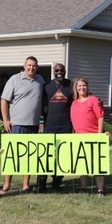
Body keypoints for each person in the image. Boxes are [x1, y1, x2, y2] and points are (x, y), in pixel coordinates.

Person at [0, 56, 44, 195]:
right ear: (24, 66)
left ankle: (26, 184)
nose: (31, 68)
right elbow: (4, 100)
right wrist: (5, 120)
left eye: (34, 66)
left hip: (33, 125)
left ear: (37, 67)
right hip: (16, 124)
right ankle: (7, 185)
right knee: (13, 156)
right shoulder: (14, 79)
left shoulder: (40, 80)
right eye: (29, 65)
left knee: (30, 156)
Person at [38, 63, 74, 193]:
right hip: (50, 125)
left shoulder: (71, 85)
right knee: (46, 155)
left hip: (65, 126)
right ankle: (41, 184)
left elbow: (82, 95)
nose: (59, 72)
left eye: (62, 70)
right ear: (54, 72)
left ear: (65, 71)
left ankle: (56, 184)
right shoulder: (47, 86)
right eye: (57, 70)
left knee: (61, 156)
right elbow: (40, 103)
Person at [70, 77, 106, 197]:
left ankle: (100, 190)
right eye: (79, 86)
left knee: (96, 165)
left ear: (87, 86)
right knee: (83, 164)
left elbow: (100, 117)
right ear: (76, 87)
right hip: (79, 137)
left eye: (84, 85)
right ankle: (83, 187)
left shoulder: (94, 100)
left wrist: (99, 136)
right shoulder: (74, 102)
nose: (81, 88)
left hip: (93, 136)